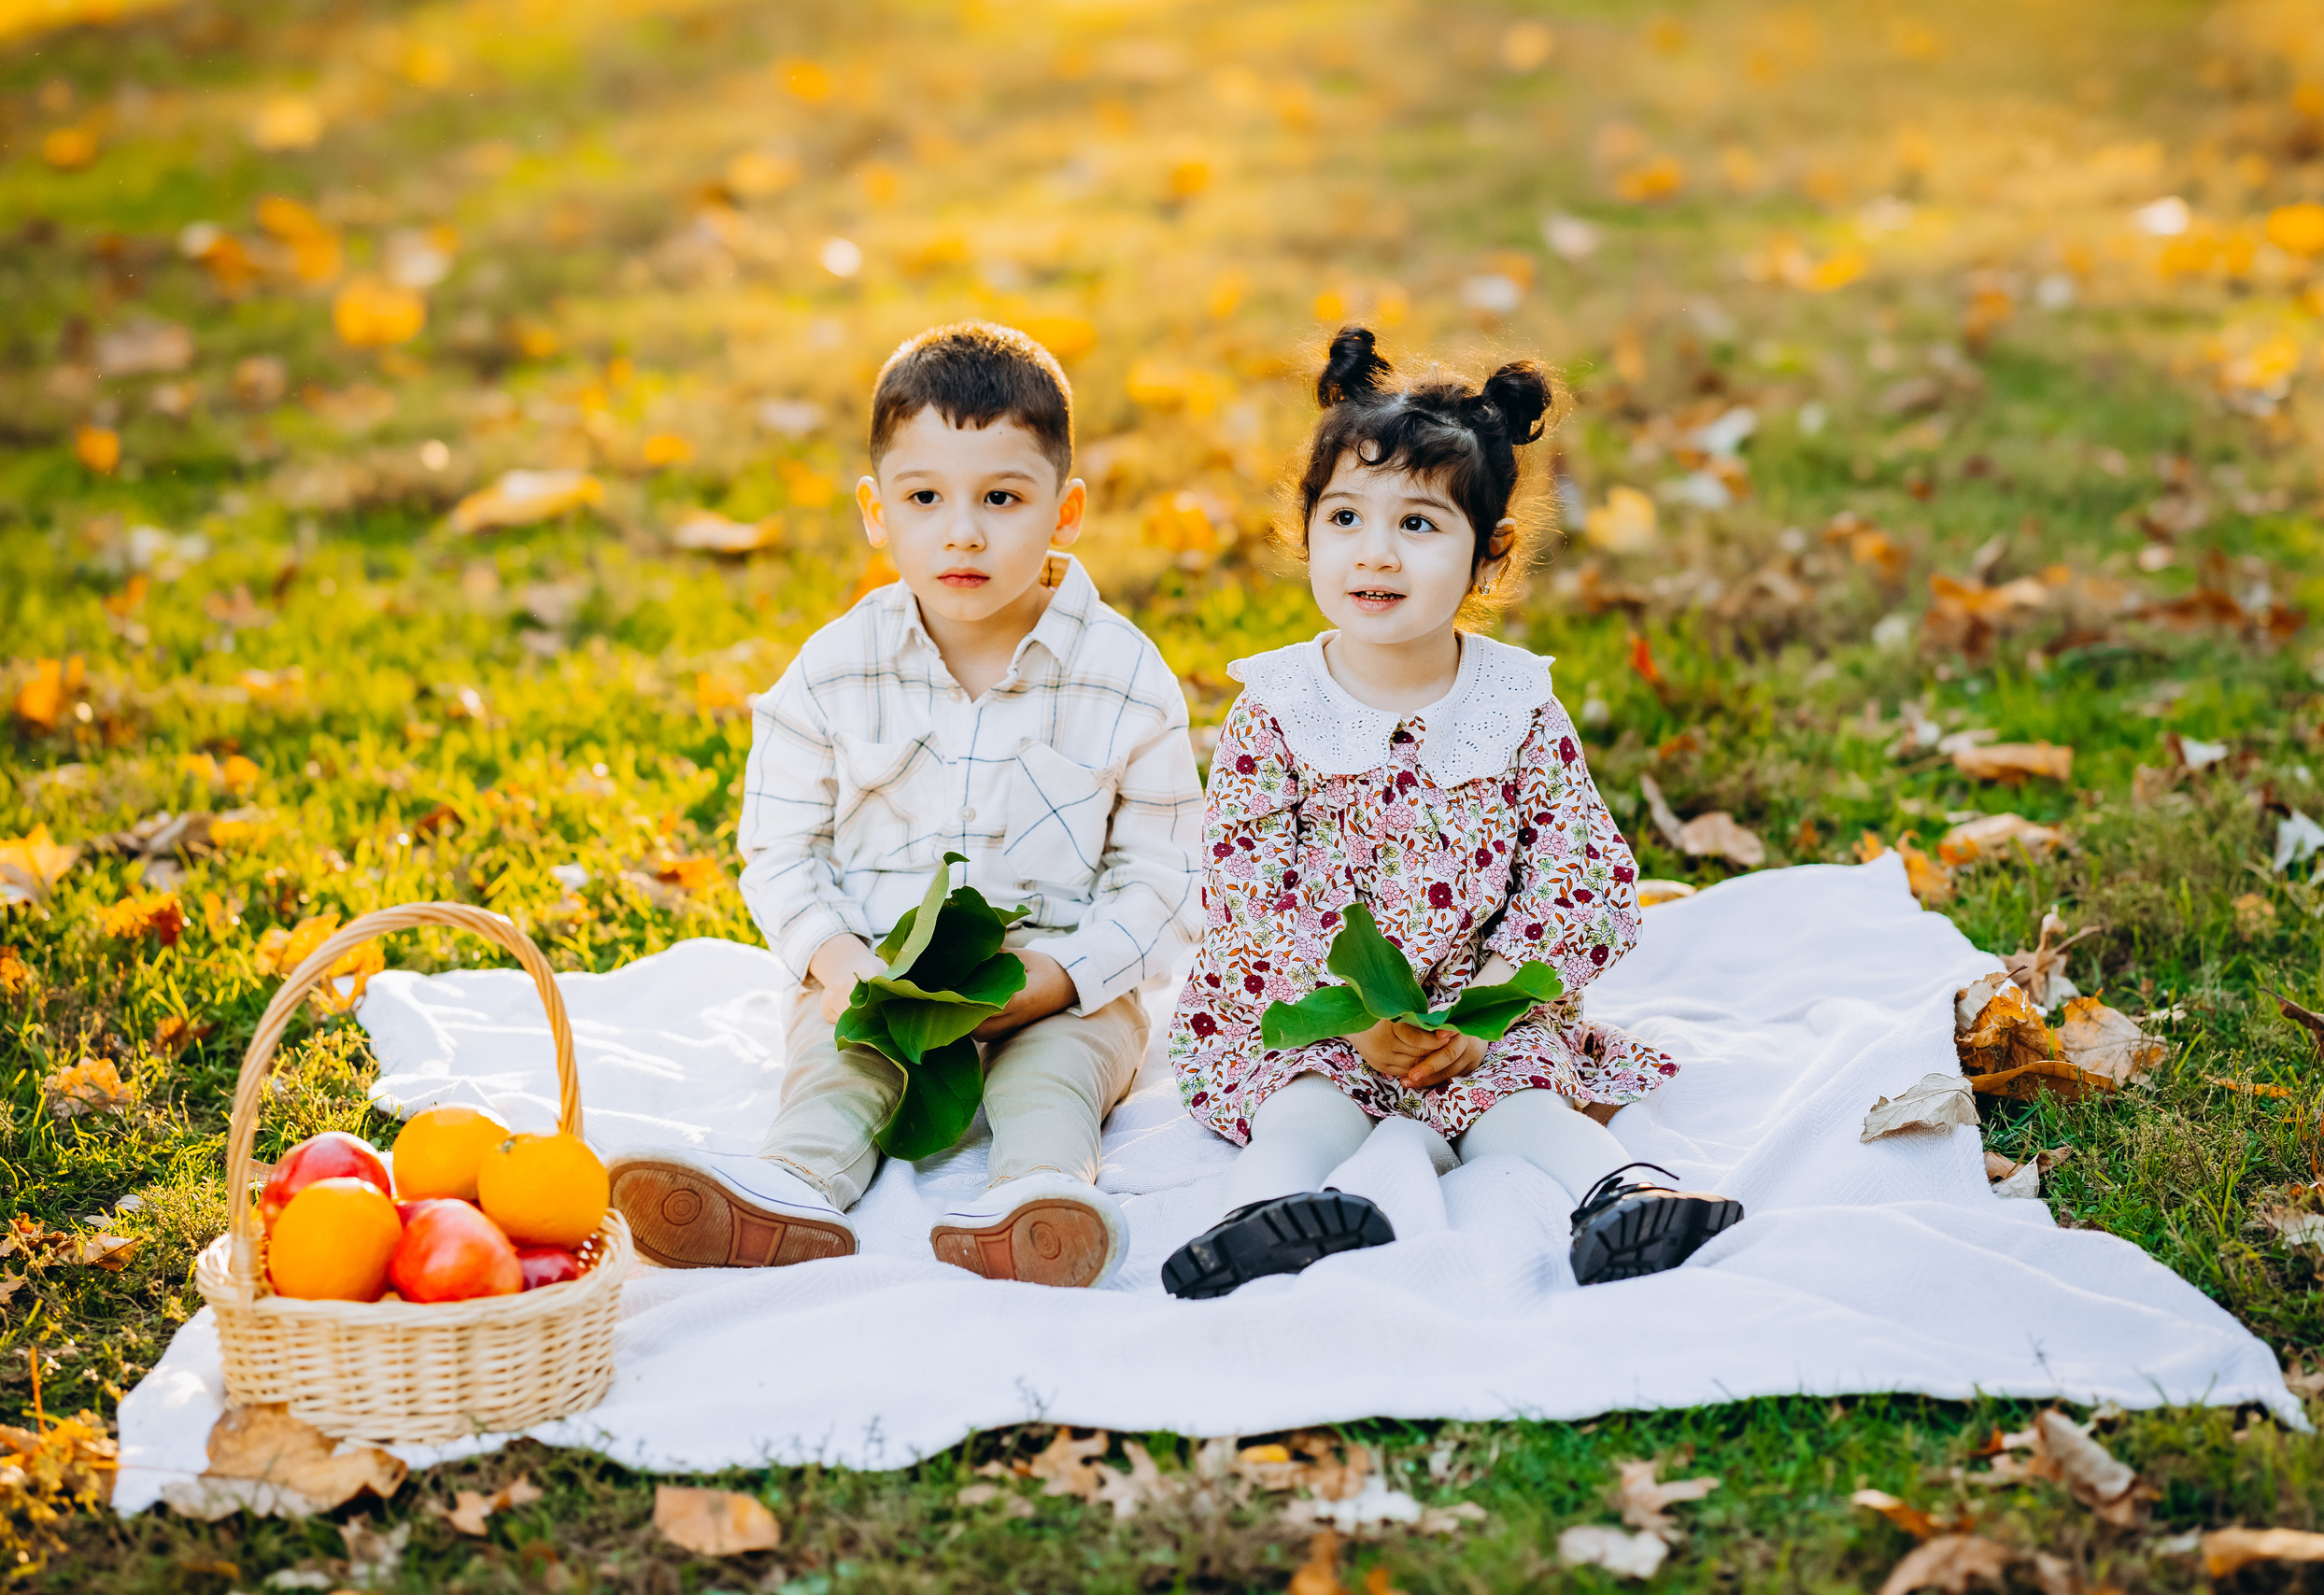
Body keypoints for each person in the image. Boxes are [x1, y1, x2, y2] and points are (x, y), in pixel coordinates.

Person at [607, 322, 1202, 1289]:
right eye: (924, 498)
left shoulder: (1122, 675)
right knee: (841, 1069)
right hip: (876, 979)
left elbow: (1164, 869)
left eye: (1002, 498)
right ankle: (789, 1189)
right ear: (876, 511)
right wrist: (842, 967)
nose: (961, 532)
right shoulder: (834, 671)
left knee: (1052, 1077)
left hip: (1056, 981)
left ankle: (1041, 1203)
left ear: (1065, 511)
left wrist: (1056, 977)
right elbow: (781, 850)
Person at [1161, 326, 1742, 1300]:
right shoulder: (1279, 709)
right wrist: (1352, 1020)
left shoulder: (1513, 706)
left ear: (1488, 555)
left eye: (1419, 526)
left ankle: (1621, 1194)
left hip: (1480, 997)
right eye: (1344, 518)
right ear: (1303, 530)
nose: (1374, 553)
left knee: (1519, 1094)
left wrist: (1489, 1009)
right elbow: (1245, 890)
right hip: (1317, 1006)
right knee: (1304, 1102)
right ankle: (1260, 1211)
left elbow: (1576, 872)